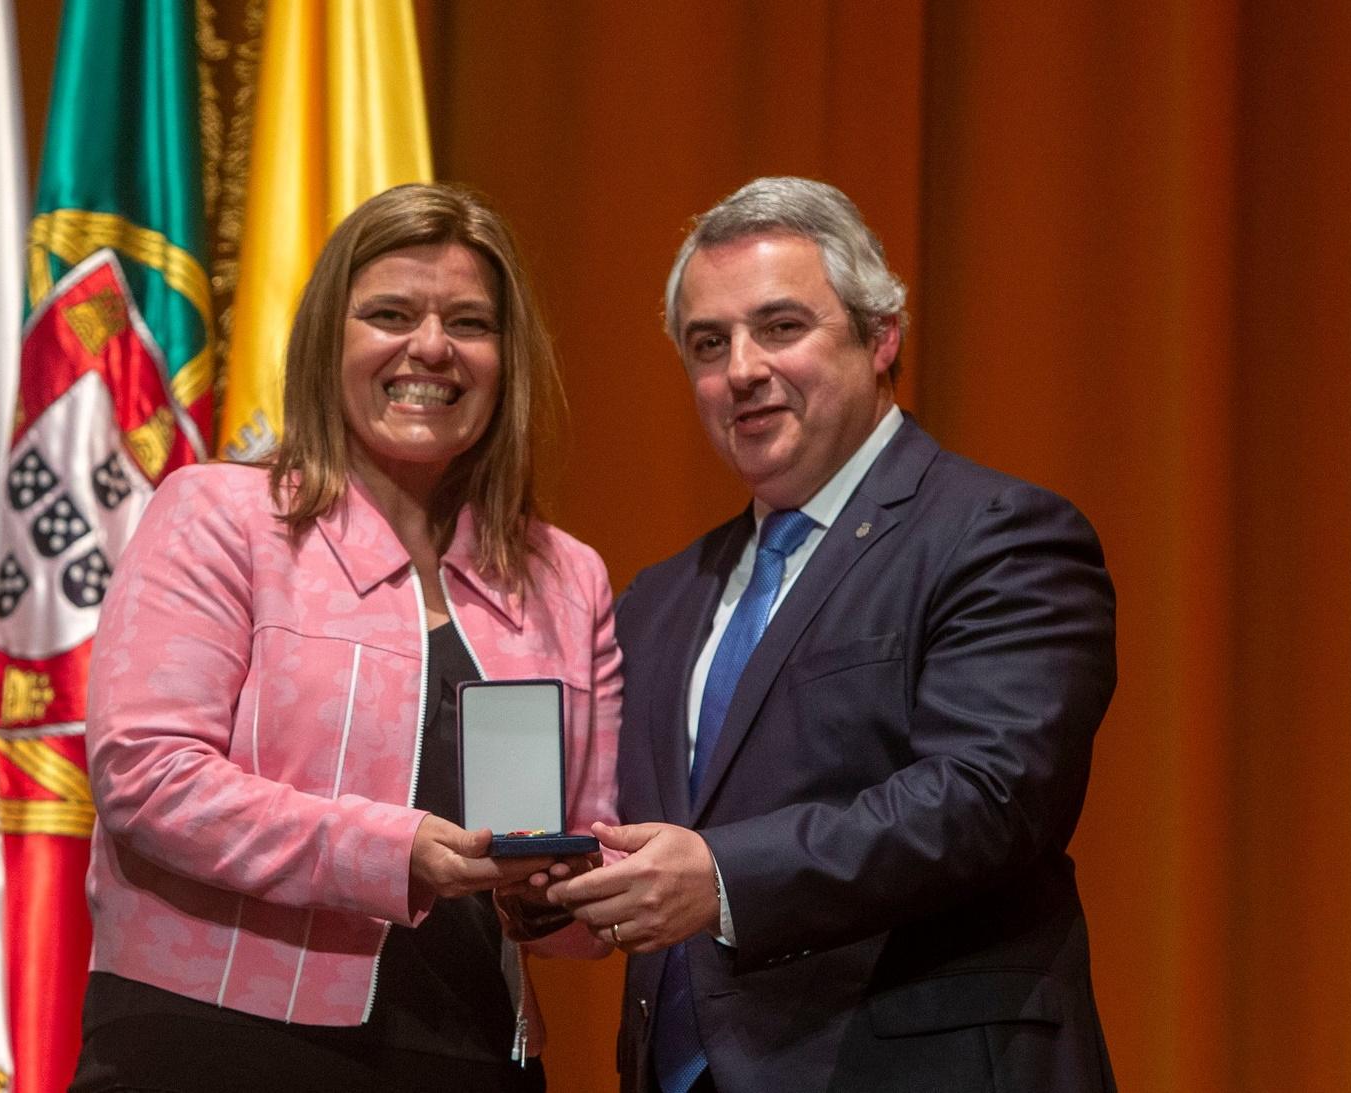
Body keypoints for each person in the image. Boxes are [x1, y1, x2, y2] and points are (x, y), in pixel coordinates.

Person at [544, 177, 1117, 1092]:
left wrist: (722, 877)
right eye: (708, 342)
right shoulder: (657, 598)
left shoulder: (999, 534)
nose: (739, 369)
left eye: (779, 327)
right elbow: (631, 831)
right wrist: (547, 878)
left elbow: (989, 795)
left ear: (879, 336)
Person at [73, 182, 620, 1093]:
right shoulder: (219, 515)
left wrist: (557, 895)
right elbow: (146, 773)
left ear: (507, 358)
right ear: (330, 338)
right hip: (213, 1046)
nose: (432, 347)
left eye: (470, 323)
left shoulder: (569, 577)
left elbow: (573, 879)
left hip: (473, 1054)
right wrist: (393, 849)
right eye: (390, 314)